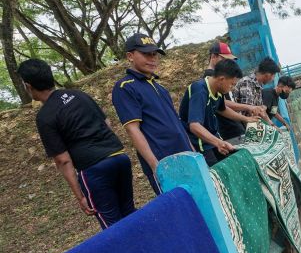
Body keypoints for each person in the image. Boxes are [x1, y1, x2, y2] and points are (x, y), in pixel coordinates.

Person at [18, 59, 136, 230]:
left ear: (28, 86)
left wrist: (80, 195)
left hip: (95, 170)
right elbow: (107, 123)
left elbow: (63, 160)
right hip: (119, 158)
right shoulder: (79, 95)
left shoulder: (45, 116)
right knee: (129, 212)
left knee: (113, 227)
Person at [112, 33, 193, 195]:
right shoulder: (125, 87)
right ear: (130, 56)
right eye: (145, 54)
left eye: (154, 54)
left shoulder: (160, 88)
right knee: (180, 207)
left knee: (201, 201)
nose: (152, 59)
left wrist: (192, 150)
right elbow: (133, 129)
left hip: (186, 155)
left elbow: (176, 123)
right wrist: (155, 164)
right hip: (165, 160)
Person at [180, 59, 258, 166]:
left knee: (237, 161)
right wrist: (218, 143)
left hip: (212, 138)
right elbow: (194, 126)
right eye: (231, 84)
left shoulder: (218, 91)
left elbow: (223, 109)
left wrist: (246, 119)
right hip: (199, 142)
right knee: (217, 172)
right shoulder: (199, 90)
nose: (232, 88)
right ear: (222, 79)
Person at [204, 41, 267, 141]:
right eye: (224, 59)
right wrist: (249, 107)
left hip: (236, 123)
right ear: (213, 57)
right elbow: (222, 103)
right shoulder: (210, 78)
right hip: (228, 128)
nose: (228, 63)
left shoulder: (223, 76)